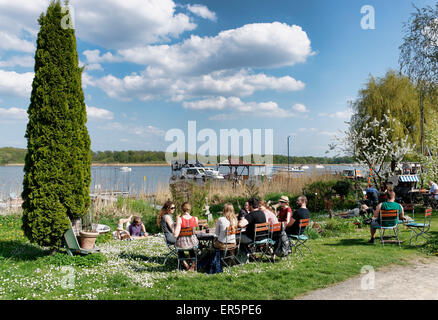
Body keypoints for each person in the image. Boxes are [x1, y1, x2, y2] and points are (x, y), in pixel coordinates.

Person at [173, 202, 199, 271]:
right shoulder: (195, 219)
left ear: (182, 209)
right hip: (193, 244)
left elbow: (175, 234)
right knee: (192, 247)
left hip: (182, 244)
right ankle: (193, 266)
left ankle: (186, 265)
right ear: (189, 209)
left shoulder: (180, 219)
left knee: (179, 248)